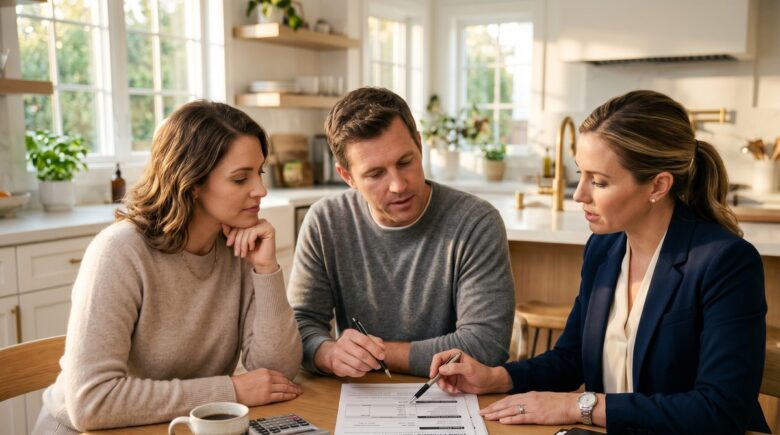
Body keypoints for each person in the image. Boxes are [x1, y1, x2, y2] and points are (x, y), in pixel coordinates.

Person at [428, 90, 769, 434]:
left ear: (658, 185)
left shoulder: (724, 262)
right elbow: (571, 358)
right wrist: (495, 377)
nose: (579, 194)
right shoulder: (603, 248)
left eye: (599, 182)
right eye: (581, 174)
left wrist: (578, 406)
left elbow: (721, 410)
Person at [33, 101, 303, 434]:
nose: (260, 190)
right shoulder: (119, 252)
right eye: (239, 179)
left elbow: (276, 374)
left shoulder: (239, 246)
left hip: (175, 426)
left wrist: (266, 270)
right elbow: (92, 402)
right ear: (191, 183)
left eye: (259, 172)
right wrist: (230, 390)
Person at [288, 87, 515, 378]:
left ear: (419, 145)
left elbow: (486, 345)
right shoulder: (325, 221)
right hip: (356, 396)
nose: (398, 185)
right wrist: (328, 353)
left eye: (405, 162)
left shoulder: (475, 222)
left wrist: (373, 354)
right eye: (375, 174)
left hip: (450, 397)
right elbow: (301, 326)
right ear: (347, 177)